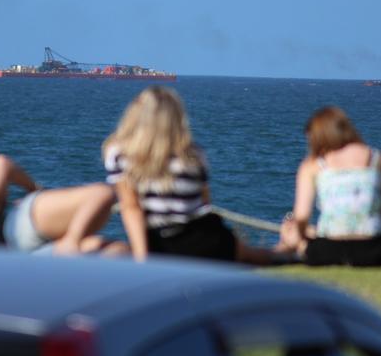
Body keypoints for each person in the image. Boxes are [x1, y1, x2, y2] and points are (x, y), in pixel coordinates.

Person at [103, 86, 281, 264]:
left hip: (158, 241)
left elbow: (131, 208)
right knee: (255, 256)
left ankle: (287, 250)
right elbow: (204, 205)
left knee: (107, 250)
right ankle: (288, 252)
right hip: (205, 240)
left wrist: (142, 258)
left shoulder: (119, 154)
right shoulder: (195, 155)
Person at [279, 106, 381, 267]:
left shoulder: (312, 165)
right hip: (375, 251)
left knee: (289, 228)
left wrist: (302, 241)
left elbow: (302, 217)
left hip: (325, 253)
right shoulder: (378, 159)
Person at [0, 153, 125, 255]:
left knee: (117, 250)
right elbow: (1, 163)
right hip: (23, 225)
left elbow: (1, 164)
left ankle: (71, 243)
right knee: (102, 194)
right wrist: (34, 188)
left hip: (29, 256)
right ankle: (72, 242)